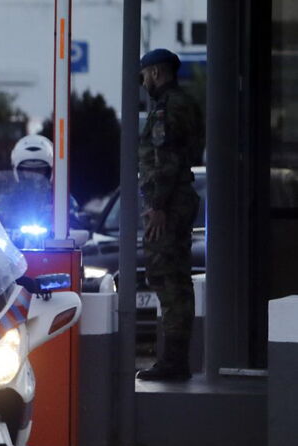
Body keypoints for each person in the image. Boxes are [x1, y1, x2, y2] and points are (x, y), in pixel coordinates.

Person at [136, 48, 204, 382]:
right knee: (174, 278)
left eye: (144, 75)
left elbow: (166, 158)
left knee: (168, 279)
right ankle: (174, 360)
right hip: (176, 198)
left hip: (170, 202)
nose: (143, 82)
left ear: (156, 72)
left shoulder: (167, 108)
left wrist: (158, 206)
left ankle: (174, 362)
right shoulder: (181, 103)